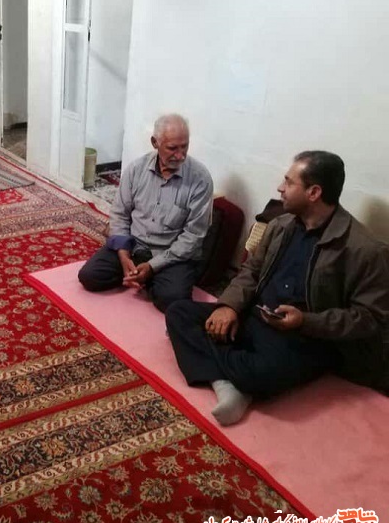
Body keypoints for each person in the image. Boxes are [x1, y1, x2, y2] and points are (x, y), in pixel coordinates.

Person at [166, 151, 389, 426]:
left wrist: (305, 321)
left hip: (305, 338)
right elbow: (251, 271)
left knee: (260, 373)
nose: (280, 188)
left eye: (289, 182)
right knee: (178, 312)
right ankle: (228, 382)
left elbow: (369, 318)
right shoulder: (281, 225)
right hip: (254, 315)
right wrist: (229, 306)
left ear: (314, 192)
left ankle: (232, 375)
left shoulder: (364, 250)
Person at [78, 114, 214, 312]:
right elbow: (120, 214)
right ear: (155, 143)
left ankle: (146, 277)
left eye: (184, 146)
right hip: (133, 245)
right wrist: (124, 256)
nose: (180, 155)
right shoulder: (136, 169)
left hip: (170, 255)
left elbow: (193, 237)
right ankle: (139, 275)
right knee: (90, 277)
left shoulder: (200, 179)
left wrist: (153, 266)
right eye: (172, 148)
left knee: (172, 301)